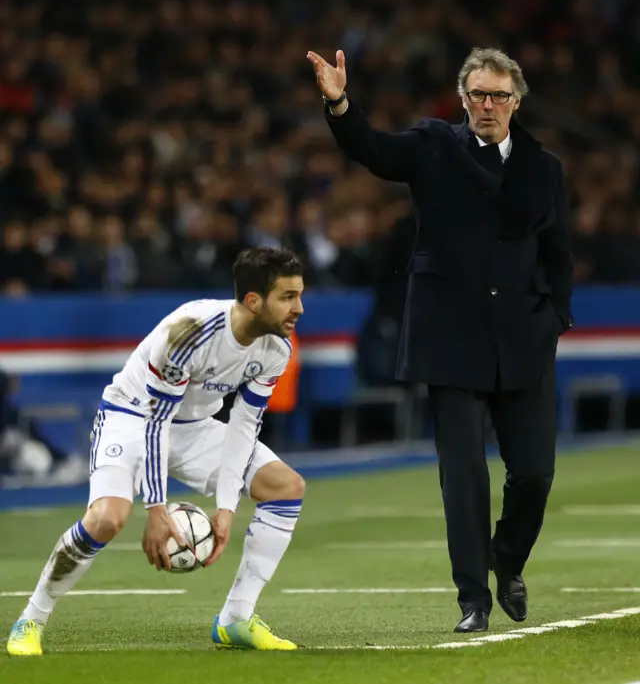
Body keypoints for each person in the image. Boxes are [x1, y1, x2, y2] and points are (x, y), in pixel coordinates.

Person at [307, 47, 573, 633]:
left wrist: (554, 317)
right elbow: (372, 149)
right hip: (451, 338)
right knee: (463, 475)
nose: (487, 105)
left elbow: (558, 254)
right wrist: (339, 103)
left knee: (534, 475)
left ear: (516, 101)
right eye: (477, 94)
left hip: (525, 340)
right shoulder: (433, 145)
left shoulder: (543, 167)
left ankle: (508, 558)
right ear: (462, 98)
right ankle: (473, 599)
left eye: (498, 95)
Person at [7, 247, 306, 655]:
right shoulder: (190, 332)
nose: (299, 308)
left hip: (197, 427)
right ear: (253, 301)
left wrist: (226, 507)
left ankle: (235, 619)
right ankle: (30, 619)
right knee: (108, 519)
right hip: (132, 417)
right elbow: (156, 421)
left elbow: (243, 425)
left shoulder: (275, 348)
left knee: (286, 487)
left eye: (299, 295)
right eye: (288, 297)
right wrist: (156, 509)